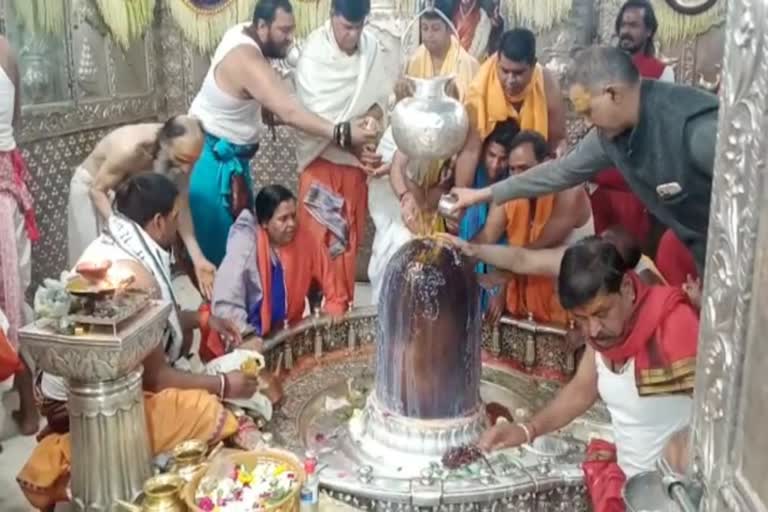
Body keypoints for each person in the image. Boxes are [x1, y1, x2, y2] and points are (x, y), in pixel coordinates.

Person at [18, 173, 272, 510]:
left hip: (76, 390)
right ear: (157, 222)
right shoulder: (135, 277)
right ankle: (69, 467)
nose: (178, 225)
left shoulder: (119, 241)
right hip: (88, 403)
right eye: (176, 218)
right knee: (207, 409)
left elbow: (156, 330)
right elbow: (157, 376)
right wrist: (226, 384)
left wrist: (202, 318)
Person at [450, 45, 718, 274]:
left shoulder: (697, 132)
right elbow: (559, 172)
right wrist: (481, 195)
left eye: (588, 112)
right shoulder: (609, 134)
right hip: (707, 260)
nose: (589, 123)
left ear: (612, 94)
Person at [478, 237, 697, 512]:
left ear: (627, 288)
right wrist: (526, 430)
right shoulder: (606, 338)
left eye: (601, 313)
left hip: (679, 498)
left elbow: (727, 419)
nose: (593, 330)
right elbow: (582, 389)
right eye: (581, 319)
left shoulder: (675, 324)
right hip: (631, 493)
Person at [188, 0, 376, 268]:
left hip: (235, 162)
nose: (290, 39)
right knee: (225, 260)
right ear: (262, 26)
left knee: (243, 251)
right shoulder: (247, 57)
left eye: (292, 30)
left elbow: (274, 107)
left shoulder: (247, 34)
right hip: (211, 163)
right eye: (284, 31)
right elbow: (289, 111)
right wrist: (342, 132)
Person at [295, 0, 392, 304]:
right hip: (321, 166)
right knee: (315, 247)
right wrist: (353, 137)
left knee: (344, 248)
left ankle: (338, 313)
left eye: (358, 26)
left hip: (353, 169)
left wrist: (373, 119)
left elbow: (380, 101)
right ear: (331, 17)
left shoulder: (372, 48)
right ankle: (307, 319)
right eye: (346, 26)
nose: (352, 34)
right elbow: (314, 119)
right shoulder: (313, 55)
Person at [66, 116, 214, 294]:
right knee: (97, 270)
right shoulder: (130, 149)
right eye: (181, 160)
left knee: (130, 268)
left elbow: (180, 207)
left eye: (192, 162)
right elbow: (97, 191)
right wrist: (123, 229)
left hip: (122, 193)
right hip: (93, 190)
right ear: (166, 145)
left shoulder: (181, 154)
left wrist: (198, 258)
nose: (186, 170)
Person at [209, 185, 349, 358]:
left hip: (287, 334)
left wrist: (335, 304)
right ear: (265, 223)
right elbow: (226, 300)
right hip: (244, 336)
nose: (291, 224)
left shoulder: (306, 239)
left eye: (293, 216)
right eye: (283, 219)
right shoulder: (245, 244)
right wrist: (245, 336)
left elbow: (331, 278)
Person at [471, 131, 592, 325]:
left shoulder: (570, 193)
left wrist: (501, 279)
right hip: (523, 309)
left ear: (546, 163)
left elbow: (535, 250)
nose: (518, 179)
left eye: (524, 169)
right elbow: (486, 237)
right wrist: (456, 254)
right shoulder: (509, 192)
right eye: (512, 170)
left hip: (575, 309)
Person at [589, 0, 674, 247]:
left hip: (635, 185)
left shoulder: (662, 74)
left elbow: (661, 130)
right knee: (600, 254)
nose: (626, 31)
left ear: (648, 31)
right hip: (602, 181)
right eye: (623, 24)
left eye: (634, 25)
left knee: (630, 255)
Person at [454, 28, 567, 189]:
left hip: (533, 174)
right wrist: (463, 198)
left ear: (533, 65)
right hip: (488, 173)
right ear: (497, 61)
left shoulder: (547, 84)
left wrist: (557, 157)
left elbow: (557, 141)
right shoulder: (479, 90)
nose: (510, 80)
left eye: (518, 73)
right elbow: (470, 151)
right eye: (504, 71)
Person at [0, 35, 40, 436]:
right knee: (14, 303)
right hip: (7, 192)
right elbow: (15, 118)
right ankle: (29, 407)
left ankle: (28, 405)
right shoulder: (7, 49)